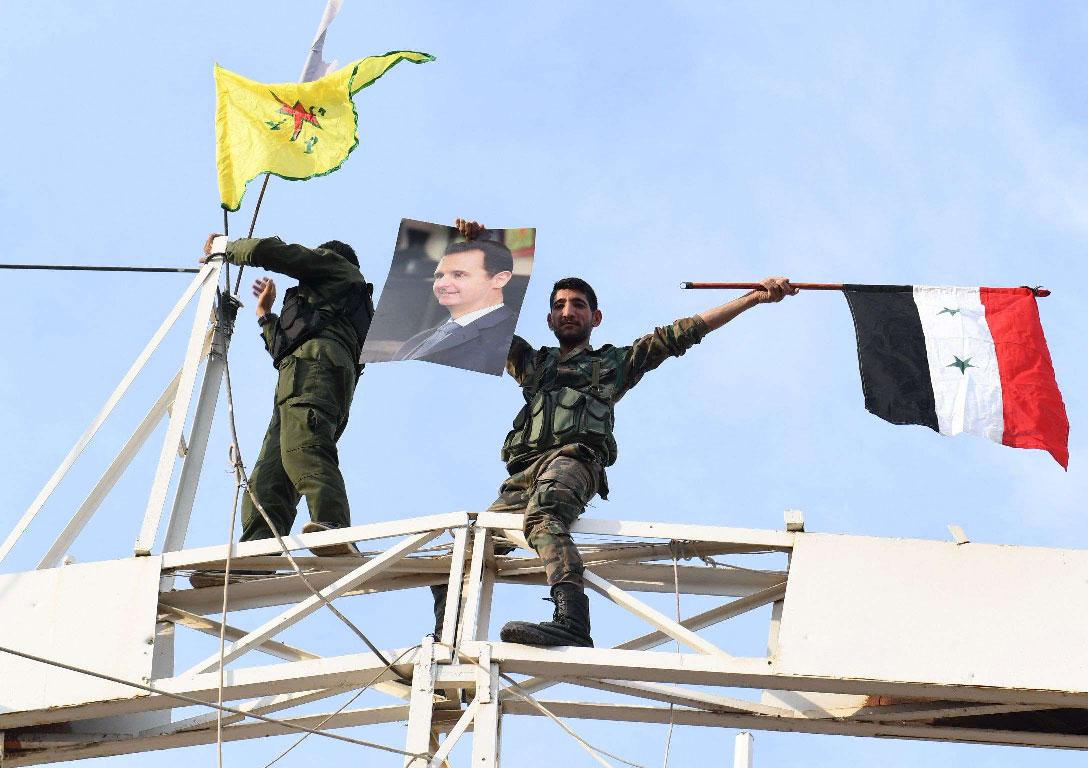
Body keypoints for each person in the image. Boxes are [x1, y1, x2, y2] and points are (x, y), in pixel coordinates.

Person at [433, 219, 797, 647]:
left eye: (579, 304)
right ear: (550, 318)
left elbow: (681, 334)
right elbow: (476, 314)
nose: (569, 311)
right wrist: (469, 247)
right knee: (463, 553)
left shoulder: (612, 364)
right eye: (562, 305)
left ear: (595, 316)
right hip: (523, 472)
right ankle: (445, 644)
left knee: (544, 519)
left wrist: (755, 297)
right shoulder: (533, 364)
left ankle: (572, 621)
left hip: (573, 461)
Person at [195, 233, 372, 581]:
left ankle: (336, 529)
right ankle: (255, 561)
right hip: (300, 376)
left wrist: (228, 247)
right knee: (269, 479)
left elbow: (280, 254)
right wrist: (265, 316)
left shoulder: (338, 269)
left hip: (315, 373)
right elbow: (284, 347)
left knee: (305, 449)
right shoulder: (335, 305)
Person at [392, 230, 518, 375]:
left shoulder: (507, 341)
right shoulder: (429, 334)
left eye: (458, 275)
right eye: (439, 276)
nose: (441, 284)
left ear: (499, 280)